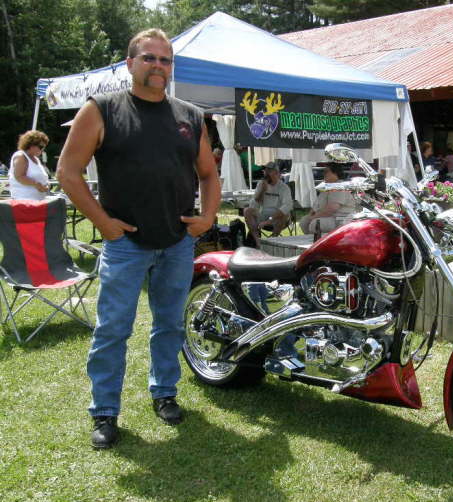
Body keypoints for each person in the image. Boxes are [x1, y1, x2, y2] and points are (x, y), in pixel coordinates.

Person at [56, 28, 220, 449]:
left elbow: (208, 172)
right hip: (125, 244)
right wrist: (103, 222)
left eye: (165, 60)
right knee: (113, 329)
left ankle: (164, 392)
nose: (158, 67)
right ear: (129, 64)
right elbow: (68, 173)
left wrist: (208, 216)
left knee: (168, 324)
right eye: (149, 58)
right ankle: (105, 412)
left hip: (177, 242)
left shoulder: (189, 115)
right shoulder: (102, 110)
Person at [243, 161, 292, 247]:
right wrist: (262, 190)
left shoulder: (284, 188)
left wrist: (269, 220)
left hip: (277, 216)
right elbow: (255, 203)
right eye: (265, 171)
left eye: (269, 171)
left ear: (277, 174)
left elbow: (287, 206)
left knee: (285, 214)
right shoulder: (261, 184)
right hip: (263, 214)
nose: (266, 174)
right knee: (247, 211)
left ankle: (271, 242)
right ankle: (258, 242)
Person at [299, 163, 357, 235]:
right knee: (304, 221)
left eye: (326, 171)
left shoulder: (339, 187)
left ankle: (319, 242)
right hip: (328, 217)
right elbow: (316, 205)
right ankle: (313, 242)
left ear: (335, 173)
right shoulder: (327, 186)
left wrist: (314, 217)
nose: (324, 174)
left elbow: (332, 209)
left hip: (339, 219)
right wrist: (311, 215)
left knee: (314, 224)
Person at [7, 130, 51, 200]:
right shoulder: (21, 156)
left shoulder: (36, 159)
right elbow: (19, 176)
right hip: (23, 200)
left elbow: (42, 177)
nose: (42, 149)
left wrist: (47, 185)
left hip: (38, 200)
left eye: (44, 147)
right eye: (41, 147)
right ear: (31, 145)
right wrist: (36, 184)